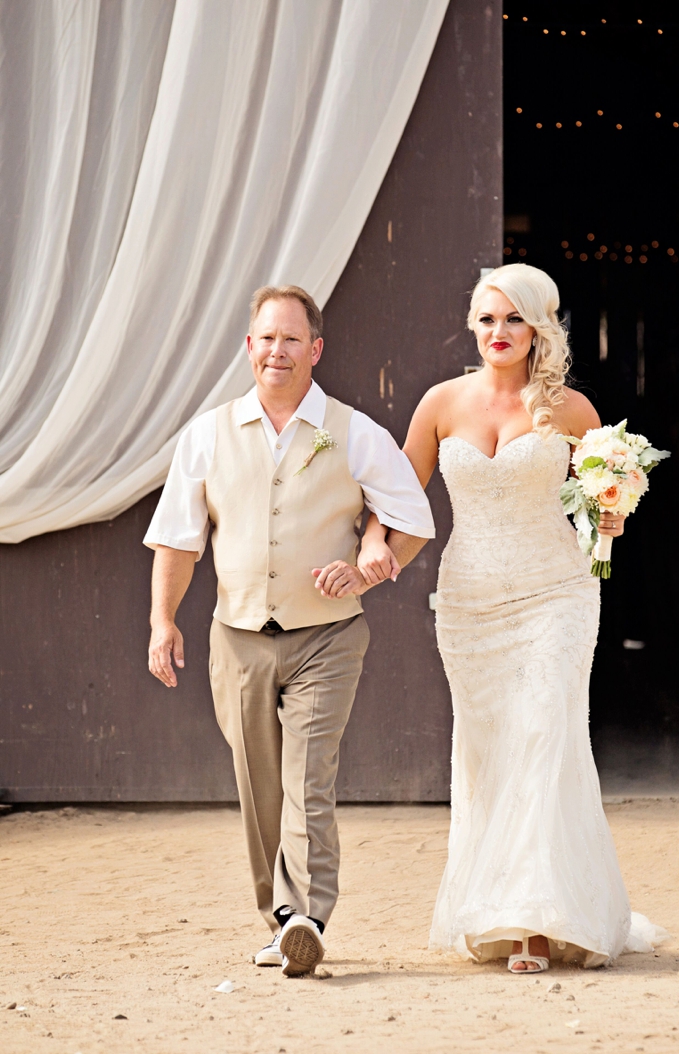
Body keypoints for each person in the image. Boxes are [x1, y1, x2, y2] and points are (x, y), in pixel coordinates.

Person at [358, 263, 666, 973]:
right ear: (473, 325)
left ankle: (534, 922)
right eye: (488, 319)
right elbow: (401, 506)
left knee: (544, 735)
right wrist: (376, 545)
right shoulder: (440, 404)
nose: (500, 332)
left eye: (514, 319)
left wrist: (611, 513)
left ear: (539, 328)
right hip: (471, 602)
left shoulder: (573, 412)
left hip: (557, 594)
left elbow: (599, 516)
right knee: (490, 749)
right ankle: (497, 907)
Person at [145, 284, 434, 976]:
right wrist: (162, 622)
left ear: (316, 350)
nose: (278, 351)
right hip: (237, 634)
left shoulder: (354, 431)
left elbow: (413, 523)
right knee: (260, 784)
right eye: (266, 338)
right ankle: (279, 918)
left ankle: (309, 915)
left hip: (328, 637)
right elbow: (178, 543)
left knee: (309, 777)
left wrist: (367, 570)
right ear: (250, 348)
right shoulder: (206, 435)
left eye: (292, 339)